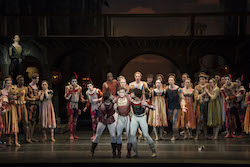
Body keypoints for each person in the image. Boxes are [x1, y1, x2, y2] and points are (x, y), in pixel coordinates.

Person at [130, 88, 157, 158]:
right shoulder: (131, 101)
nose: (131, 94)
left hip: (142, 117)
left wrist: (148, 105)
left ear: (136, 94)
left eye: (132, 93)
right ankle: (135, 152)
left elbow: (154, 107)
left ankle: (153, 151)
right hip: (135, 117)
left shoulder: (143, 101)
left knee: (146, 135)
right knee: (132, 134)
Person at [90, 92, 116, 158]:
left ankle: (114, 152)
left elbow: (113, 111)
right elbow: (102, 112)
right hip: (103, 120)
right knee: (97, 135)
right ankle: (92, 151)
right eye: (110, 95)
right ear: (108, 98)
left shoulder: (113, 104)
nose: (112, 96)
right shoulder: (102, 105)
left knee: (113, 136)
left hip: (110, 120)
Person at [65, 73, 84, 140]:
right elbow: (66, 97)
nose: (74, 83)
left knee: (75, 121)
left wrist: (82, 99)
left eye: (75, 81)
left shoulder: (79, 88)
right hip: (70, 104)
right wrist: (71, 91)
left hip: (76, 104)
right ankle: (70, 134)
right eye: (73, 81)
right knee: (70, 120)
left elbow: (81, 96)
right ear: (71, 82)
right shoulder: (68, 87)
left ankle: (74, 133)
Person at [114, 87, 132, 158]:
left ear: (125, 93)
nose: (121, 93)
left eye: (123, 92)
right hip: (120, 117)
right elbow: (114, 108)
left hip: (127, 117)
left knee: (128, 135)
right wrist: (115, 109)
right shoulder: (116, 99)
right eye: (120, 92)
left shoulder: (128, 99)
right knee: (118, 135)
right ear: (118, 93)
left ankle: (129, 152)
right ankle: (119, 152)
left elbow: (132, 106)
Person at [1, 78, 20, 146]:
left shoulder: (13, 90)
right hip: (6, 109)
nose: (9, 84)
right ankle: (8, 140)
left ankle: (15, 140)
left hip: (12, 108)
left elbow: (16, 100)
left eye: (10, 83)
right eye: (8, 83)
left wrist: (14, 100)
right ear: (5, 84)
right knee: (7, 123)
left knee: (13, 122)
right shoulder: (2, 91)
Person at [194, 72, 211, 140]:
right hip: (200, 104)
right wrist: (203, 93)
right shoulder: (197, 87)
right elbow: (196, 96)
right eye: (201, 79)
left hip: (206, 103)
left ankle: (205, 134)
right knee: (199, 119)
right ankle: (197, 134)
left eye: (203, 79)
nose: (202, 80)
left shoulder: (208, 86)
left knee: (205, 119)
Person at [166, 74, 182, 141]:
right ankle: (176, 134)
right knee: (172, 121)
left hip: (176, 106)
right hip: (170, 106)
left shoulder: (178, 89)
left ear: (174, 81)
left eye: (172, 80)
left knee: (175, 121)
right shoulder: (167, 88)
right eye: (169, 80)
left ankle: (174, 135)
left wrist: (182, 105)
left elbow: (181, 97)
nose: (170, 81)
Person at [16, 75, 30, 143]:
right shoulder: (15, 88)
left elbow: (26, 97)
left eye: (23, 80)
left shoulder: (25, 88)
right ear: (17, 80)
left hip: (23, 104)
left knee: (26, 121)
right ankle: (16, 138)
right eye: (21, 80)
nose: (22, 82)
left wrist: (32, 99)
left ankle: (26, 137)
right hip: (17, 105)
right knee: (17, 121)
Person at [27, 73, 40, 142]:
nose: (37, 80)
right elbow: (26, 96)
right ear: (33, 79)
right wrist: (31, 99)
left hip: (36, 105)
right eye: (36, 79)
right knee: (29, 121)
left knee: (34, 121)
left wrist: (37, 96)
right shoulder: (29, 87)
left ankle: (31, 136)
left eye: (38, 79)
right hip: (30, 105)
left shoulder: (37, 87)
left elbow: (37, 95)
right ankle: (28, 137)